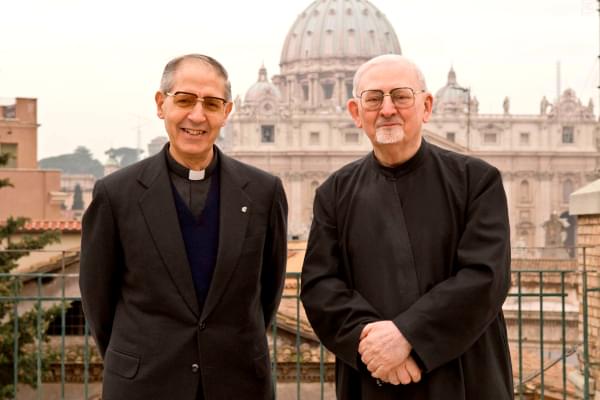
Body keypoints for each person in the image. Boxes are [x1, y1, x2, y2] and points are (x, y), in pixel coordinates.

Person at [300, 54, 513, 399]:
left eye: (400, 96)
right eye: (373, 98)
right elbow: (320, 286)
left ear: (426, 106)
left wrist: (407, 336)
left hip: (464, 375)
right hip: (374, 375)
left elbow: (486, 277)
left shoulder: (477, 180)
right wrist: (374, 345)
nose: (387, 109)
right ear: (356, 113)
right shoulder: (333, 192)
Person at [80, 54, 288, 400]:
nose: (197, 115)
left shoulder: (265, 192)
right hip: (143, 384)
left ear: (227, 112)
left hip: (238, 384)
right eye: (185, 100)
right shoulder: (115, 194)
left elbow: (268, 293)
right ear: (161, 104)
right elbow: (97, 299)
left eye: (211, 103)